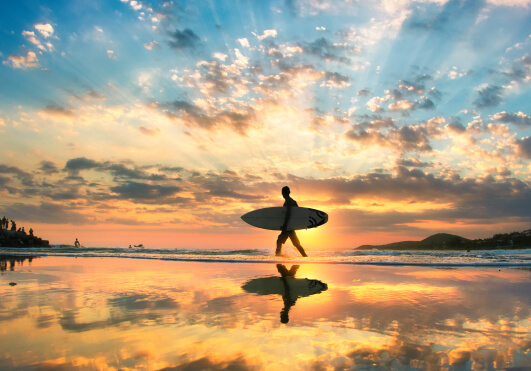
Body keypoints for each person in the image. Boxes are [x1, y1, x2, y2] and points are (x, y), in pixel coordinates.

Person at [276, 186, 308, 257]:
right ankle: (305, 256)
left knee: (279, 241)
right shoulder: (293, 202)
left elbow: (288, 214)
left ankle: (278, 256)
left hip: (288, 226)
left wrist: (285, 225)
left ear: (283, 193)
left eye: (282, 193)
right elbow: (298, 214)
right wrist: (304, 224)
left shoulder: (288, 202)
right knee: (296, 244)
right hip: (291, 226)